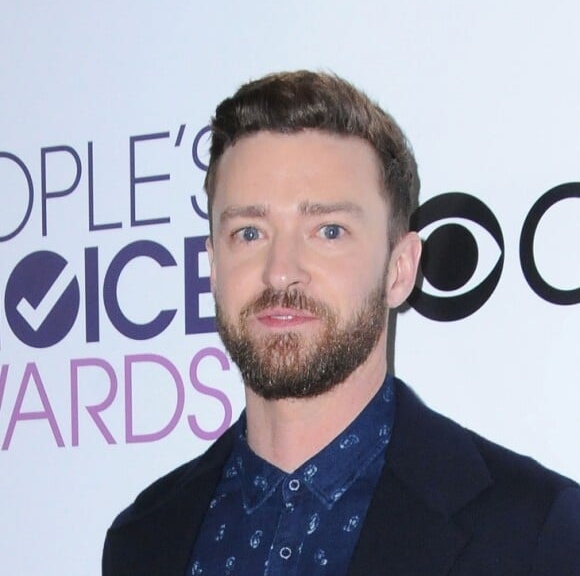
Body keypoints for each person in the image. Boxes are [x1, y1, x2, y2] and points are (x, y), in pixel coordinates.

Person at [102, 71, 580, 575]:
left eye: (328, 231)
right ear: (213, 268)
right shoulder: (144, 539)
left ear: (399, 270)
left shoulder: (535, 531)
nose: (280, 269)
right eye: (249, 232)